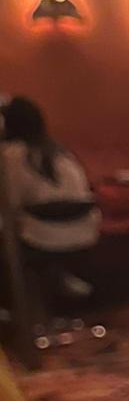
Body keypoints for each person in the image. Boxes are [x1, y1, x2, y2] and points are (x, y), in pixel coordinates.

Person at [1, 96, 99, 302]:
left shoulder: (12, 155)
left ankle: (22, 304)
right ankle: (58, 281)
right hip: (85, 230)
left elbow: (11, 202)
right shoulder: (61, 152)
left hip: (42, 236)